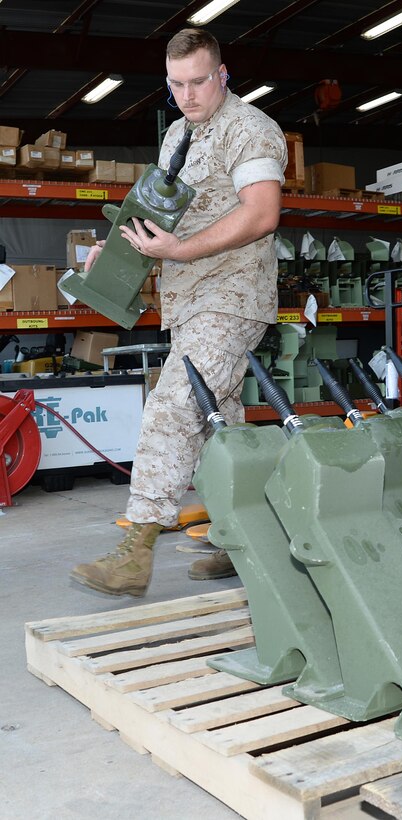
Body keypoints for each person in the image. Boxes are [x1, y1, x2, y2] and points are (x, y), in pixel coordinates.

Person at [70, 27, 288, 597]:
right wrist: (114, 247)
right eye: (176, 85)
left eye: (199, 81)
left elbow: (263, 213)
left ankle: (136, 550)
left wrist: (180, 251)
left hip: (232, 296)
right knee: (222, 426)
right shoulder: (177, 136)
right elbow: (156, 212)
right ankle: (242, 539)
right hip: (187, 299)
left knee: (173, 407)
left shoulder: (249, 129)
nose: (188, 95)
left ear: (222, 74)